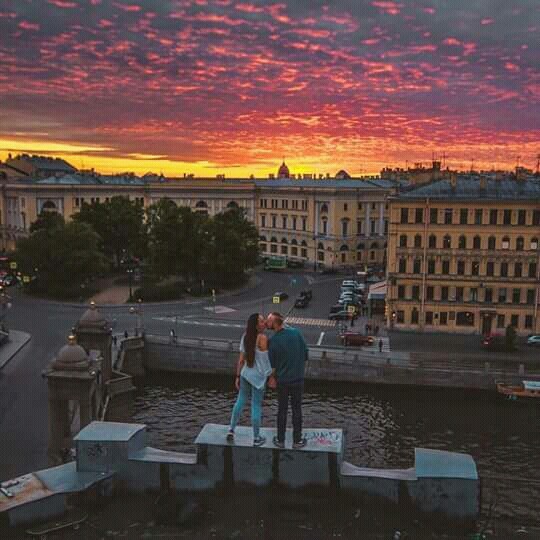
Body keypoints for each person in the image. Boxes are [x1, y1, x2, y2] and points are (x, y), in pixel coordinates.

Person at [227, 313, 272, 446]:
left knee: (240, 401)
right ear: (257, 326)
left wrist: (237, 376)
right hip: (257, 377)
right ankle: (256, 437)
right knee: (256, 406)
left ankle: (231, 429)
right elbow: (264, 361)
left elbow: (241, 360)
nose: (264, 324)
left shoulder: (245, 336)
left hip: (245, 374)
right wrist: (270, 375)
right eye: (262, 322)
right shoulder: (262, 338)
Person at [267, 312, 308, 449]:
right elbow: (306, 354)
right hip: (298, 379)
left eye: (269, 321)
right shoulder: (296, 333)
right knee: (297, 410)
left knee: (282, 410)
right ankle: (297, 441)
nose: (267, 323)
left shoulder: (273, 341)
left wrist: (272, 378)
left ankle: (280, 440)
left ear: (275, 323)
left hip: (282, 381)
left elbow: (272, 366)